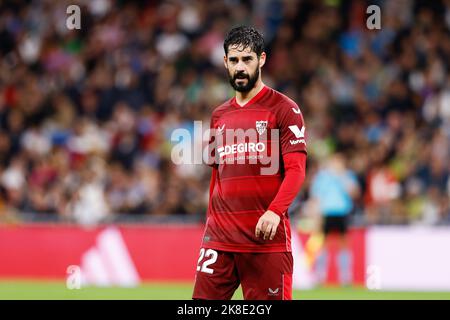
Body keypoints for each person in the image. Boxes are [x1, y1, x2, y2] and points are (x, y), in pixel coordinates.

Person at [192, 26, 307, 300]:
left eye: (247, 59)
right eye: (234, 60)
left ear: (262, 59)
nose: (240, 67)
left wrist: (274, 212)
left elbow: (296, 170)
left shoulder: (284, 109)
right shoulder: (219, 115)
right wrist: (210, 221)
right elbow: (217, 175)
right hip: (219, 240)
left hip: (265, 242)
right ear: (225, 62)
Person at [311, 153, 360, 286]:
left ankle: (345, 277)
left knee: (344, 244)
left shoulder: (347, 175)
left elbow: (354, 193)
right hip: (326, 212)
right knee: (323, 244)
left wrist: (342, 177)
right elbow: (316, 197)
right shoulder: (323, 177)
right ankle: (320, 276)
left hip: (342, 212)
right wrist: (316, 215)